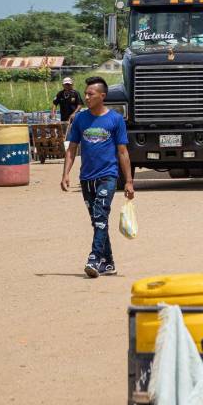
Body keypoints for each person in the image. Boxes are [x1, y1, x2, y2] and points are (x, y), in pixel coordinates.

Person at [60, 76, 134, 278]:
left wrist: (128, 181)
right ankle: (108, 263)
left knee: (100, 216)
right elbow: (72, 148)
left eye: (90, 94)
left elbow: (123, 152)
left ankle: (94, 258)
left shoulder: (115, 119)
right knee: (97, 221)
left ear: (102, 96)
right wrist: (65, 174)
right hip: (86, 178)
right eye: (85, 93)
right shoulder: (80, 119)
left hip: (107, 176)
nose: (86, 97)